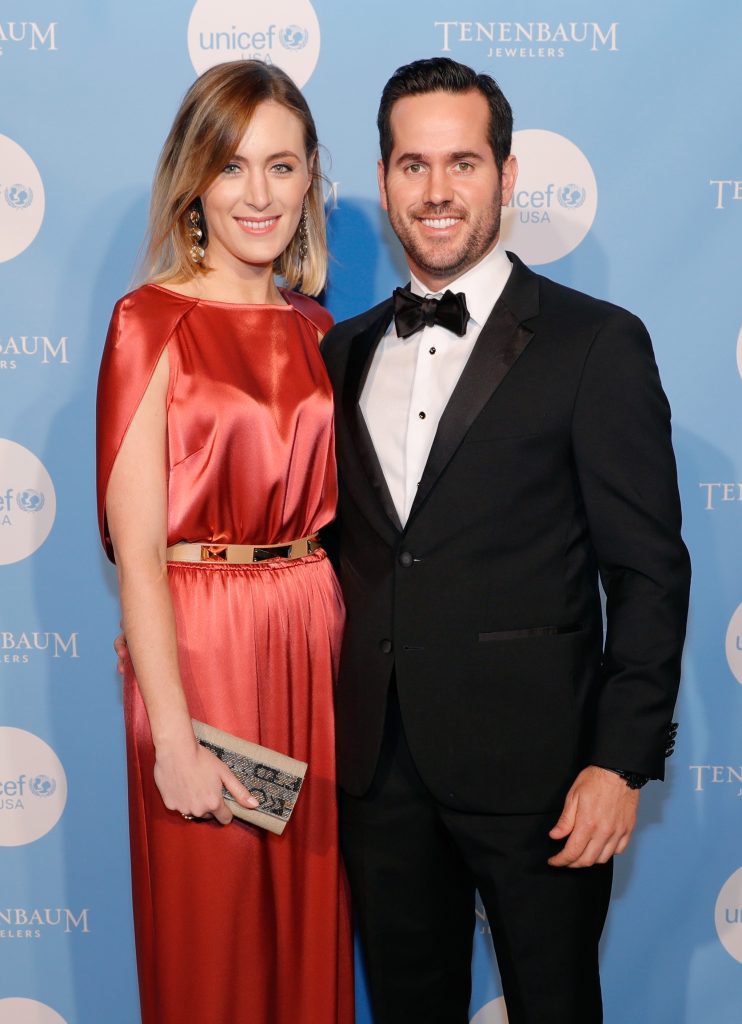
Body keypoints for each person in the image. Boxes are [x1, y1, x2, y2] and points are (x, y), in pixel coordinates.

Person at [320, 58, 690, 1023]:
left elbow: (647, 572)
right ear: (385, 176)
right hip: (378, 771)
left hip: (545, 776)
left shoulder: (594, 343)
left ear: (507, 174)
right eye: (412, 166)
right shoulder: (339, 350)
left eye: (462, 163)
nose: (437, 192)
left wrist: (620, 763)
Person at [96, 60, 353, 1024]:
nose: (258, 193)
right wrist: (172, 737)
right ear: (195, 180)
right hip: (205, 654)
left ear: (310, 180)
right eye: (233, 165)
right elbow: (140, 554)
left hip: (310, 646)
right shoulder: (150, 323)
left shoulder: (319, 328)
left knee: (304, 933)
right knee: (216, 947)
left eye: (282, 167)